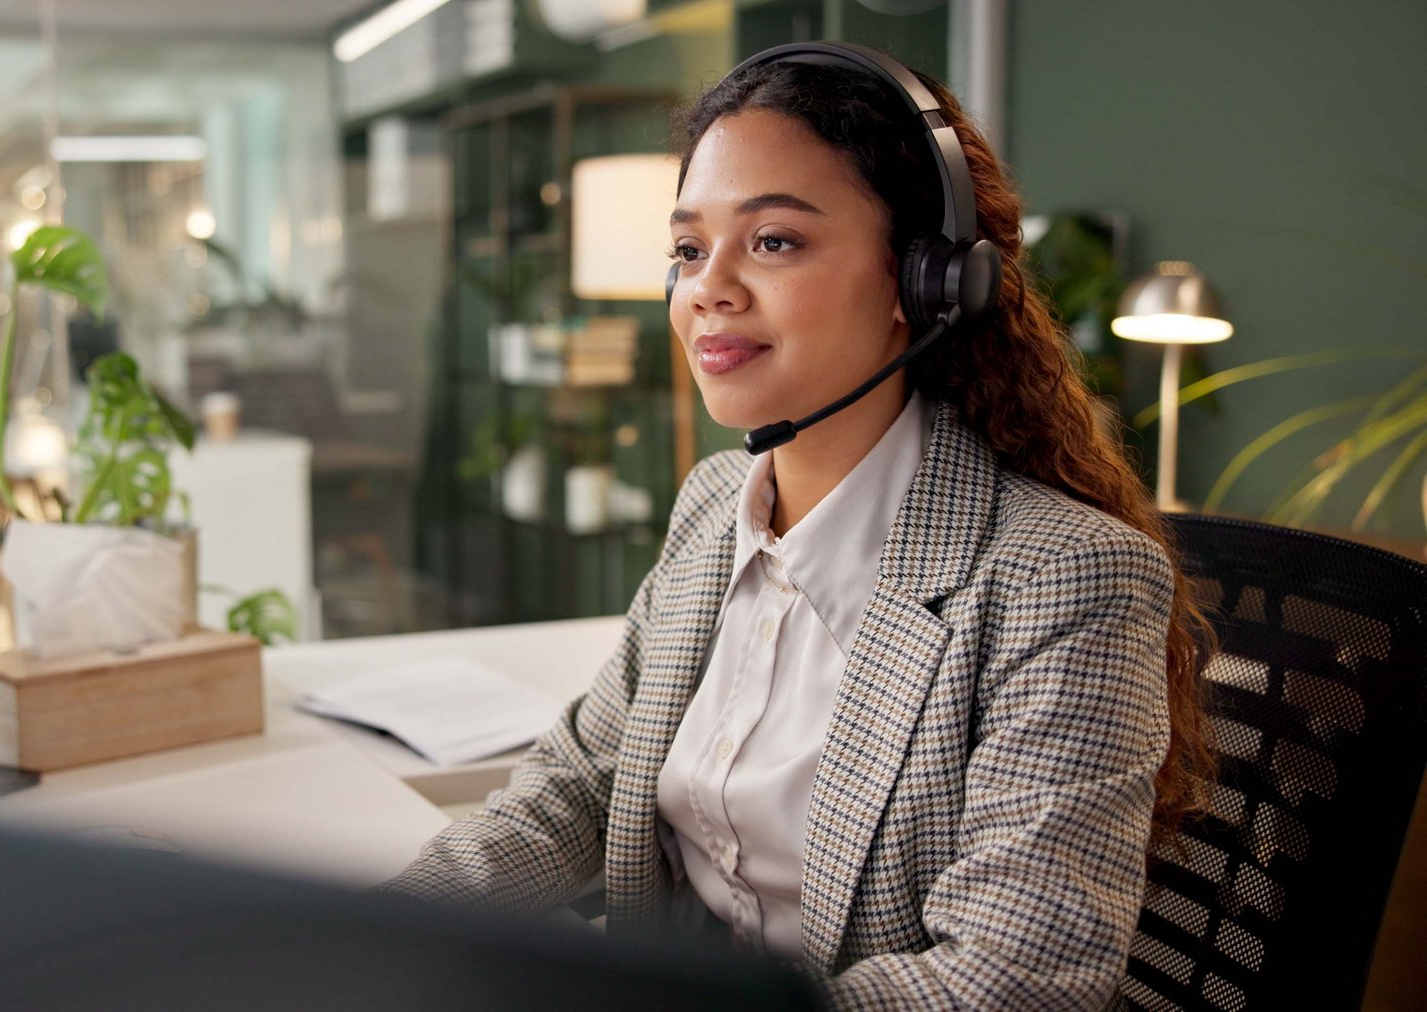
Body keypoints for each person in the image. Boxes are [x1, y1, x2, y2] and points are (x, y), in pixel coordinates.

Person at [382, 43, 1216, 1009]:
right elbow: (581, 784)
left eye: (774, 241)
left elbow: (1009, 979)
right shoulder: (713, 505)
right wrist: (377, 934)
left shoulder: (1064, 578)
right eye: (689, 250)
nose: (709, 288)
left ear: (924, 281)